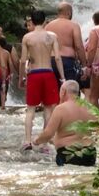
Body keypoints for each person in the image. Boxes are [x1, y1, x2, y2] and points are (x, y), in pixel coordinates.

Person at [20, 10, 66, 150]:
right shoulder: (52, 36)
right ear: (45, 21)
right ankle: (44, 143)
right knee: (48, 108)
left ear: (32, 22)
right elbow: (57, 58)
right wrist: (63, 78)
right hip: (48, 73)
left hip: (34, 73)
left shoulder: (27, 37)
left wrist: (22, 76)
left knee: (30, 109)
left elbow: (23, 60)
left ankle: (27, 141)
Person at [34, 80, 97, 167]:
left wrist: (36, 141)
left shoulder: (61, 109)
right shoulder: (90, 108)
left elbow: (48, 134)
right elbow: (96, 132)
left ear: (63, 91)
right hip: (90, 155)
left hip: (68, 154)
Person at [46, 2, 86, 87]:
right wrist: (84, 66)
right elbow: (79, 46)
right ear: (69, 12)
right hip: (67, 62)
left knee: (54, 92)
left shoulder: (48, 26)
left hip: (51, 61)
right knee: (70, 91)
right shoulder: (74, 25)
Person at [85, 10, 99, 105]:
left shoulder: (95, 31)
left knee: (93, 96)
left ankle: (95, 119)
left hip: (98, 65)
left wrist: (88, 65)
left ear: (94, 21)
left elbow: (91, 49)